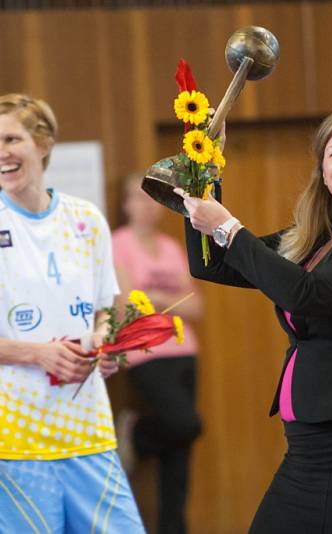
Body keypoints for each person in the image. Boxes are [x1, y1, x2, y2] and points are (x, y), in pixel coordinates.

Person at [177, 104, 332, 533]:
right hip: (309, 455)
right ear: (324, 173)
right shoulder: (317, 242)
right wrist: (206, 174)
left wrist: (230, 227)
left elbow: (309, 295)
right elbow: (213, 264)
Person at [0, 93, 144, 533]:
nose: (0, 153)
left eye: (12, 139)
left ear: (43, 145)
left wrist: (107, 346)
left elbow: (110, 313)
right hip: (15, 444)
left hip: (89, 435)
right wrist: (37, 354)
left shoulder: (87, 220)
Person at [112, 173, 204, 534]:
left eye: (153, 199)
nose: (147, 206)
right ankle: (135, 435)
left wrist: (156, 300)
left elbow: (197, 307)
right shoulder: (118, 245)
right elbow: (127, 306)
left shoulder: (171, 247)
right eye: (139, 198)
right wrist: (171, 300)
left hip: (186, 351)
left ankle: (174, 529)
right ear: (126, 205)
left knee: (179, 452)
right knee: (185, 424)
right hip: (145, 351)